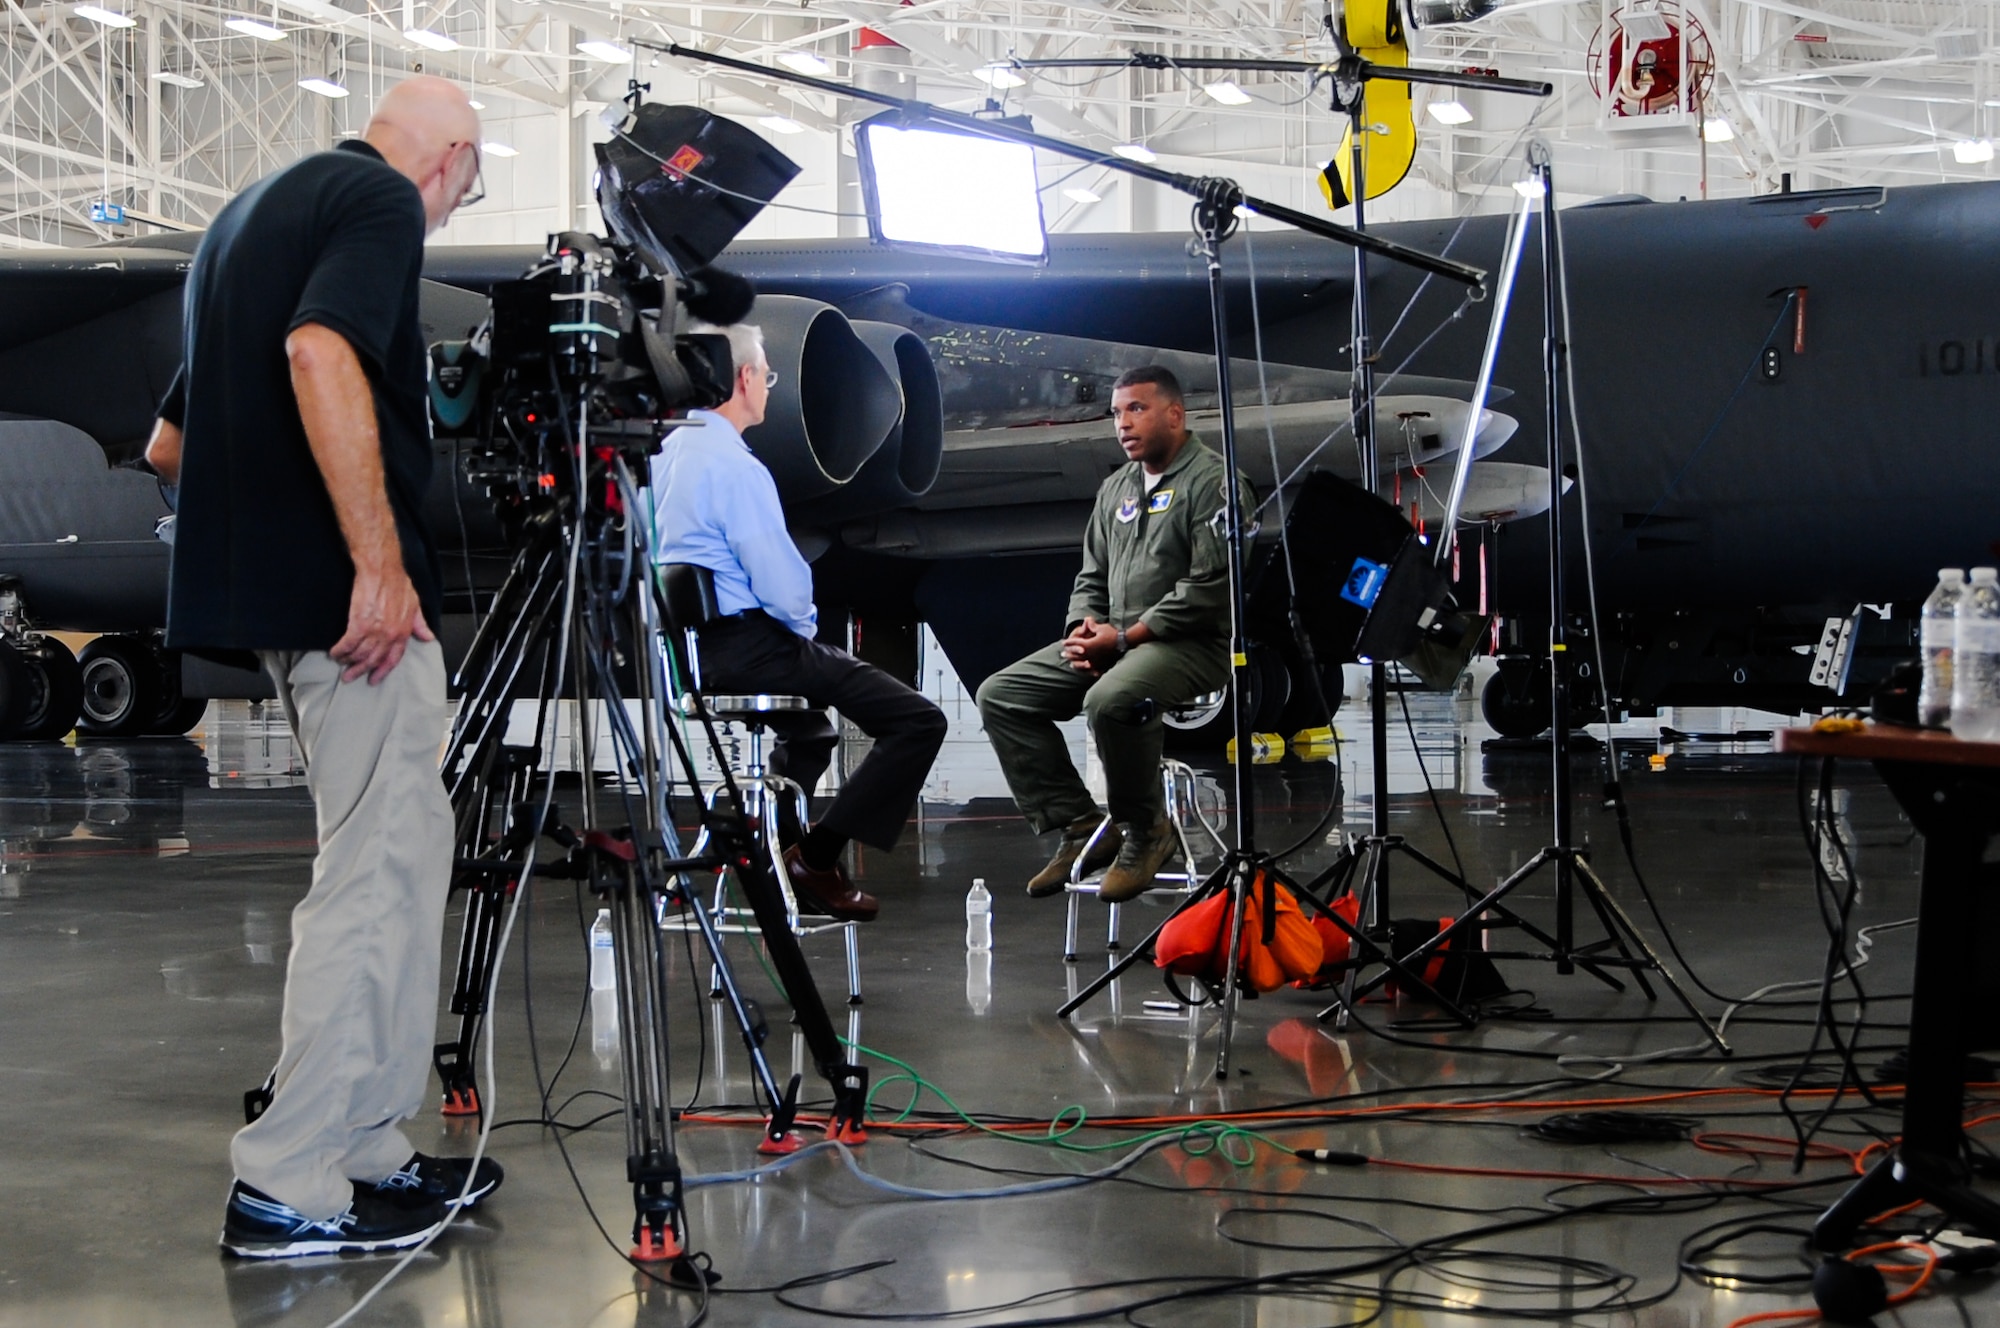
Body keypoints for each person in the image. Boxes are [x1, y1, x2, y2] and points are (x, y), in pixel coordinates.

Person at [144, 77, 501, 1259]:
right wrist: (370, 565)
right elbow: (318, 350)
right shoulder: (376, 202)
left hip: (291, 613)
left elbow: (169, 446)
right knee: (375, 873)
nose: (453, 207)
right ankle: (288, 1173)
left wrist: (279, 557)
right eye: (470, 182)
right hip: (357, 619)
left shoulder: (250, 215)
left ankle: (363, 1146)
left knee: (399, 858)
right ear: (448, 155)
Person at [650, 320, 947, 921]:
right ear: (743, 379)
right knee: (920, 721)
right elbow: (784, 590)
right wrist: (806, 635)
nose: (767, 385)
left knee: (812, 732)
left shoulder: (661, 454)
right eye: (766, 373)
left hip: (685, 657)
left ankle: (772, 838)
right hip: (750, 648)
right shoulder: (735, 467)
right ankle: (814, 858)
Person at [975, 366, 1246, 903]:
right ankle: (1079, 826)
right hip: (1114, 640)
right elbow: (1090, 576)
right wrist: (1082, 630)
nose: (1122, 424)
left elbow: (1211, 588)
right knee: (1002, 696)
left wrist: (1124, 640)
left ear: (1175, 413)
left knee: (1112, 699)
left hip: (1189, 645)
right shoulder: (1116, 488)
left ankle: (1147, 830)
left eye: (1137, 410)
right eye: (1117, 413)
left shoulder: (1214, 484)